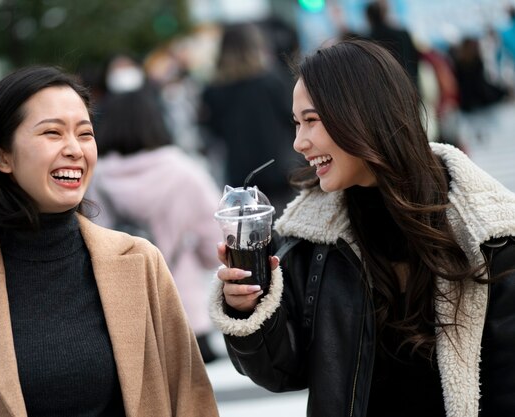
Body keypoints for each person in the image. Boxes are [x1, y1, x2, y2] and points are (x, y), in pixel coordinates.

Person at [0, 65, 219, 417]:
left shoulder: (140, 262)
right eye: (52, 133)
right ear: (0, 156)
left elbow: (191, 400)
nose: (75, 149)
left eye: (85, 133)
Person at [210, 39, 515, 417]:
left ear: (361, 115)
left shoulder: (486, 229)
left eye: (311, 121)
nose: (299, 142)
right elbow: (282, 371)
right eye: (295, 123)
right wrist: (248, 308)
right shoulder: (314, 237)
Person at [83, 79, 224, 364]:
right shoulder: (185, 173)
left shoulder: (95, 179)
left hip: (121, 315)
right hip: (182, 310)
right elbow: (214, 249)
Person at [199, 22, 299, 217]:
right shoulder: (272, 80)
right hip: (279, 169)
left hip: (240, 176)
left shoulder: (213, 91)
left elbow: (212, 132)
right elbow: (292, 119)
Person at [364, 1, 420, 88]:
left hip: (384, 90)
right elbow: (415, 59)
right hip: (409, 85)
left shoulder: (366, 41)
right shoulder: (403, 34)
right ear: (384, 14)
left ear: (368, 17)